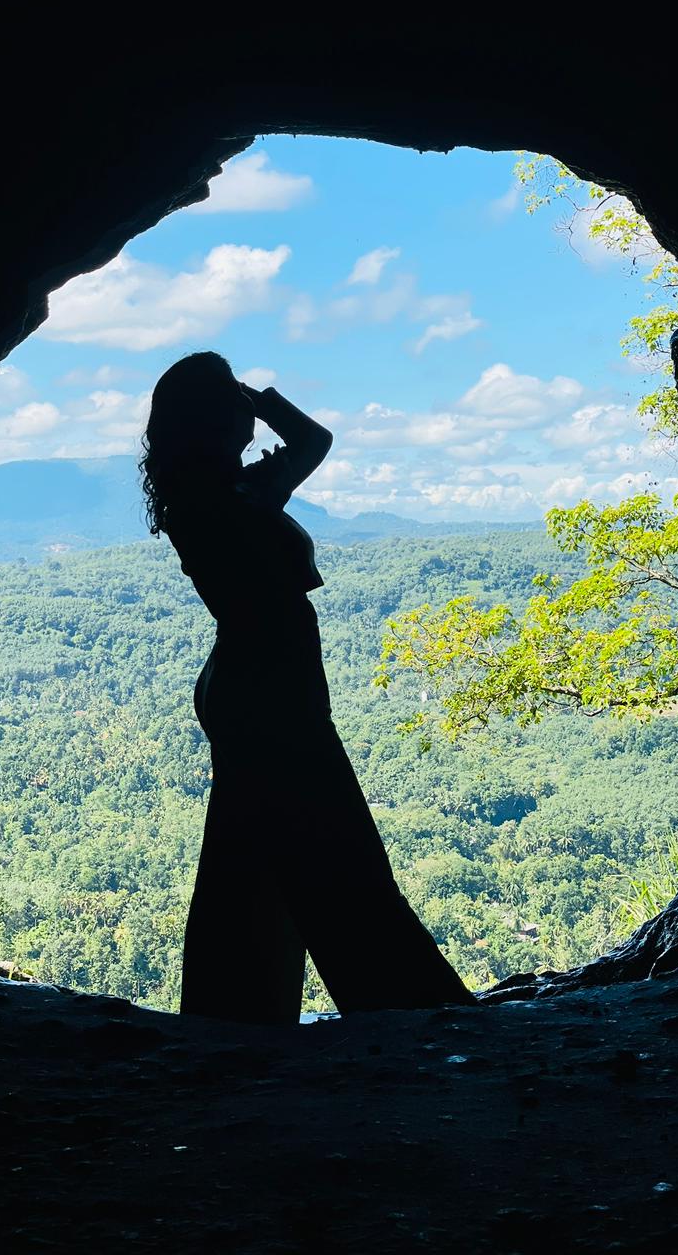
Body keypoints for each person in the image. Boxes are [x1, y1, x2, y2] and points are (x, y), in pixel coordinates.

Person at [140, 351, 475, 1024]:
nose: (242, 403)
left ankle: (235, 1012)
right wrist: (255, 405)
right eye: (227, 394)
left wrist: (263, 398)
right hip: (264, 693)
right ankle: (408, 1006)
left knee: (251, 855)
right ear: (210, 417)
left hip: (259, 686)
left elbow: (316, 441)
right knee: (338, 848)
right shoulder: (205, 501)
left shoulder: (237, 490)